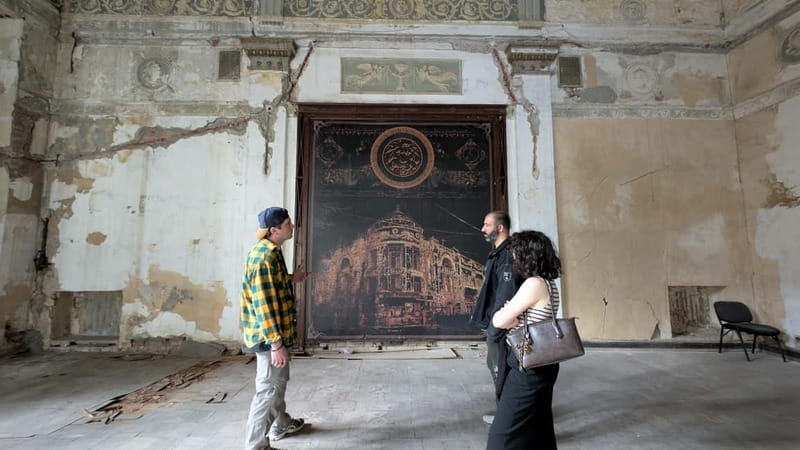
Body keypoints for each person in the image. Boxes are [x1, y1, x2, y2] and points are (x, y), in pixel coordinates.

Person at [241, 207, 310, 450]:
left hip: (273, 334)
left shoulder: (272, 250)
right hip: (269, 335)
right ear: (274, 230)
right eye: (288, 224)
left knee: (277, 382)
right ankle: (256, 446)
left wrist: (292, 277)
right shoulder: (264, 258)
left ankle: (281, 424)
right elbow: (264, 306)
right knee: (269, 389)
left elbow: (273, 284)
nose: (292, 227)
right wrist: (276, 344)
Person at [487, 230, 562, 450]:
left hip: (527, 366)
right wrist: (510, 317)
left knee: (502, 436)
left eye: (516, 253)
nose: (513, 258)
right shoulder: (548, 283)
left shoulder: (534, 284)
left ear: (528, 255)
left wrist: (506, 317)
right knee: (537, 430)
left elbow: (499, 319)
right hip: (543, 363)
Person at [468, 211, 523, 424]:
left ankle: (506, 416)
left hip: (501, 324)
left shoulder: (507, 255)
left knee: (501, 370)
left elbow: (504, 294)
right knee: (497, 368)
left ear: (500, 228)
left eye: (486, 225)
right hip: (497, 321)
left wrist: (494, 327)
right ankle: (507, 414)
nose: (483, 229)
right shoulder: (499, 254)